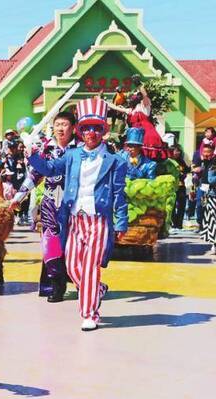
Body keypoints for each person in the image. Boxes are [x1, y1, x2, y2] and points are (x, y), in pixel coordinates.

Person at [27, 98, 128, 331]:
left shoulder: (116, 162)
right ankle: (97, 289)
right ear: (80, 131)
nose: (91, 133)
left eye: (96, 128)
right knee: (72, 267)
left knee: (91, 266)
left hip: (99, 221)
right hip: (74, 218)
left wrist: (121, 222)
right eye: (86, 128)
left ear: (104, 130)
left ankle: (90, 313)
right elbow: (50, 169)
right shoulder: (72, 155)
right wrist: (32, 155)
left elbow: (119, 194)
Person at [10, 111, 77, 302]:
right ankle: (56, 286)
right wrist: (19, 197)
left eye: (65, 124)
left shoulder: (80, 150)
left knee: (75, 246)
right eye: (58, 124)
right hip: (50, 204)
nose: (60, 128)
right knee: (51, 246)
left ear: (73, 128)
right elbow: (35, 175)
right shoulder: (46, 149)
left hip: (73, 204)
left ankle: (83, 282)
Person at [106, 78, 168, 160]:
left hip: (146, 135)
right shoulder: (131, 110)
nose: (133, 98)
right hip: (133, 137)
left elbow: (145, 96)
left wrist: (139, 85)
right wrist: (103, 102)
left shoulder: (145, 107)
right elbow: (115, 107)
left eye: (137, 95)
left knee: (147, 159)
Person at [192, 141, 215, 232]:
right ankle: (200, 223)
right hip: (203, 185)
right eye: (204, 152)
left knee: (210, 206)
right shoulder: (201, 161)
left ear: (212, 153)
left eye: (208, 152)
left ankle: (208, 225)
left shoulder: (214, 161)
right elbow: (193, 168)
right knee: (199, 204)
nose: (205, 154)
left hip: (212, 187)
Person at [171, 144, 190, 230]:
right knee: (172, 205)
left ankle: (179, 224)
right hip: (171, 186)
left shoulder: (181, 161)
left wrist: (184, 174)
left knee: (182, 205)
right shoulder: (169, 161)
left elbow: (186, 170)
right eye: (176, 150)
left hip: (181, 185)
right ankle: (174, 222)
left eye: (179, 151)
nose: (177, 152)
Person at [201, 157, 216, 253]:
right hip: (213, 198)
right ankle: (214, 244)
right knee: (213, 222)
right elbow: (211, 180)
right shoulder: (212, 168)